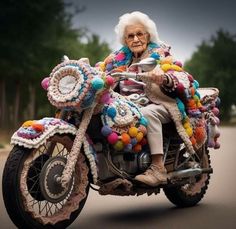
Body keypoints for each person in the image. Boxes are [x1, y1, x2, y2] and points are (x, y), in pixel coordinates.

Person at [98, 11, 206, 187]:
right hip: (127, 107)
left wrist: (163, 76)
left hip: (160, 104)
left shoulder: (160, 54)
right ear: (125, 40)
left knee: (147, 114)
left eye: (140, 34)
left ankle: (158, 168)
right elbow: (101, 72)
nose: (135, 39)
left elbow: (179, 77)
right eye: (130, 36)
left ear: (148, 36)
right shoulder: (118, 59)